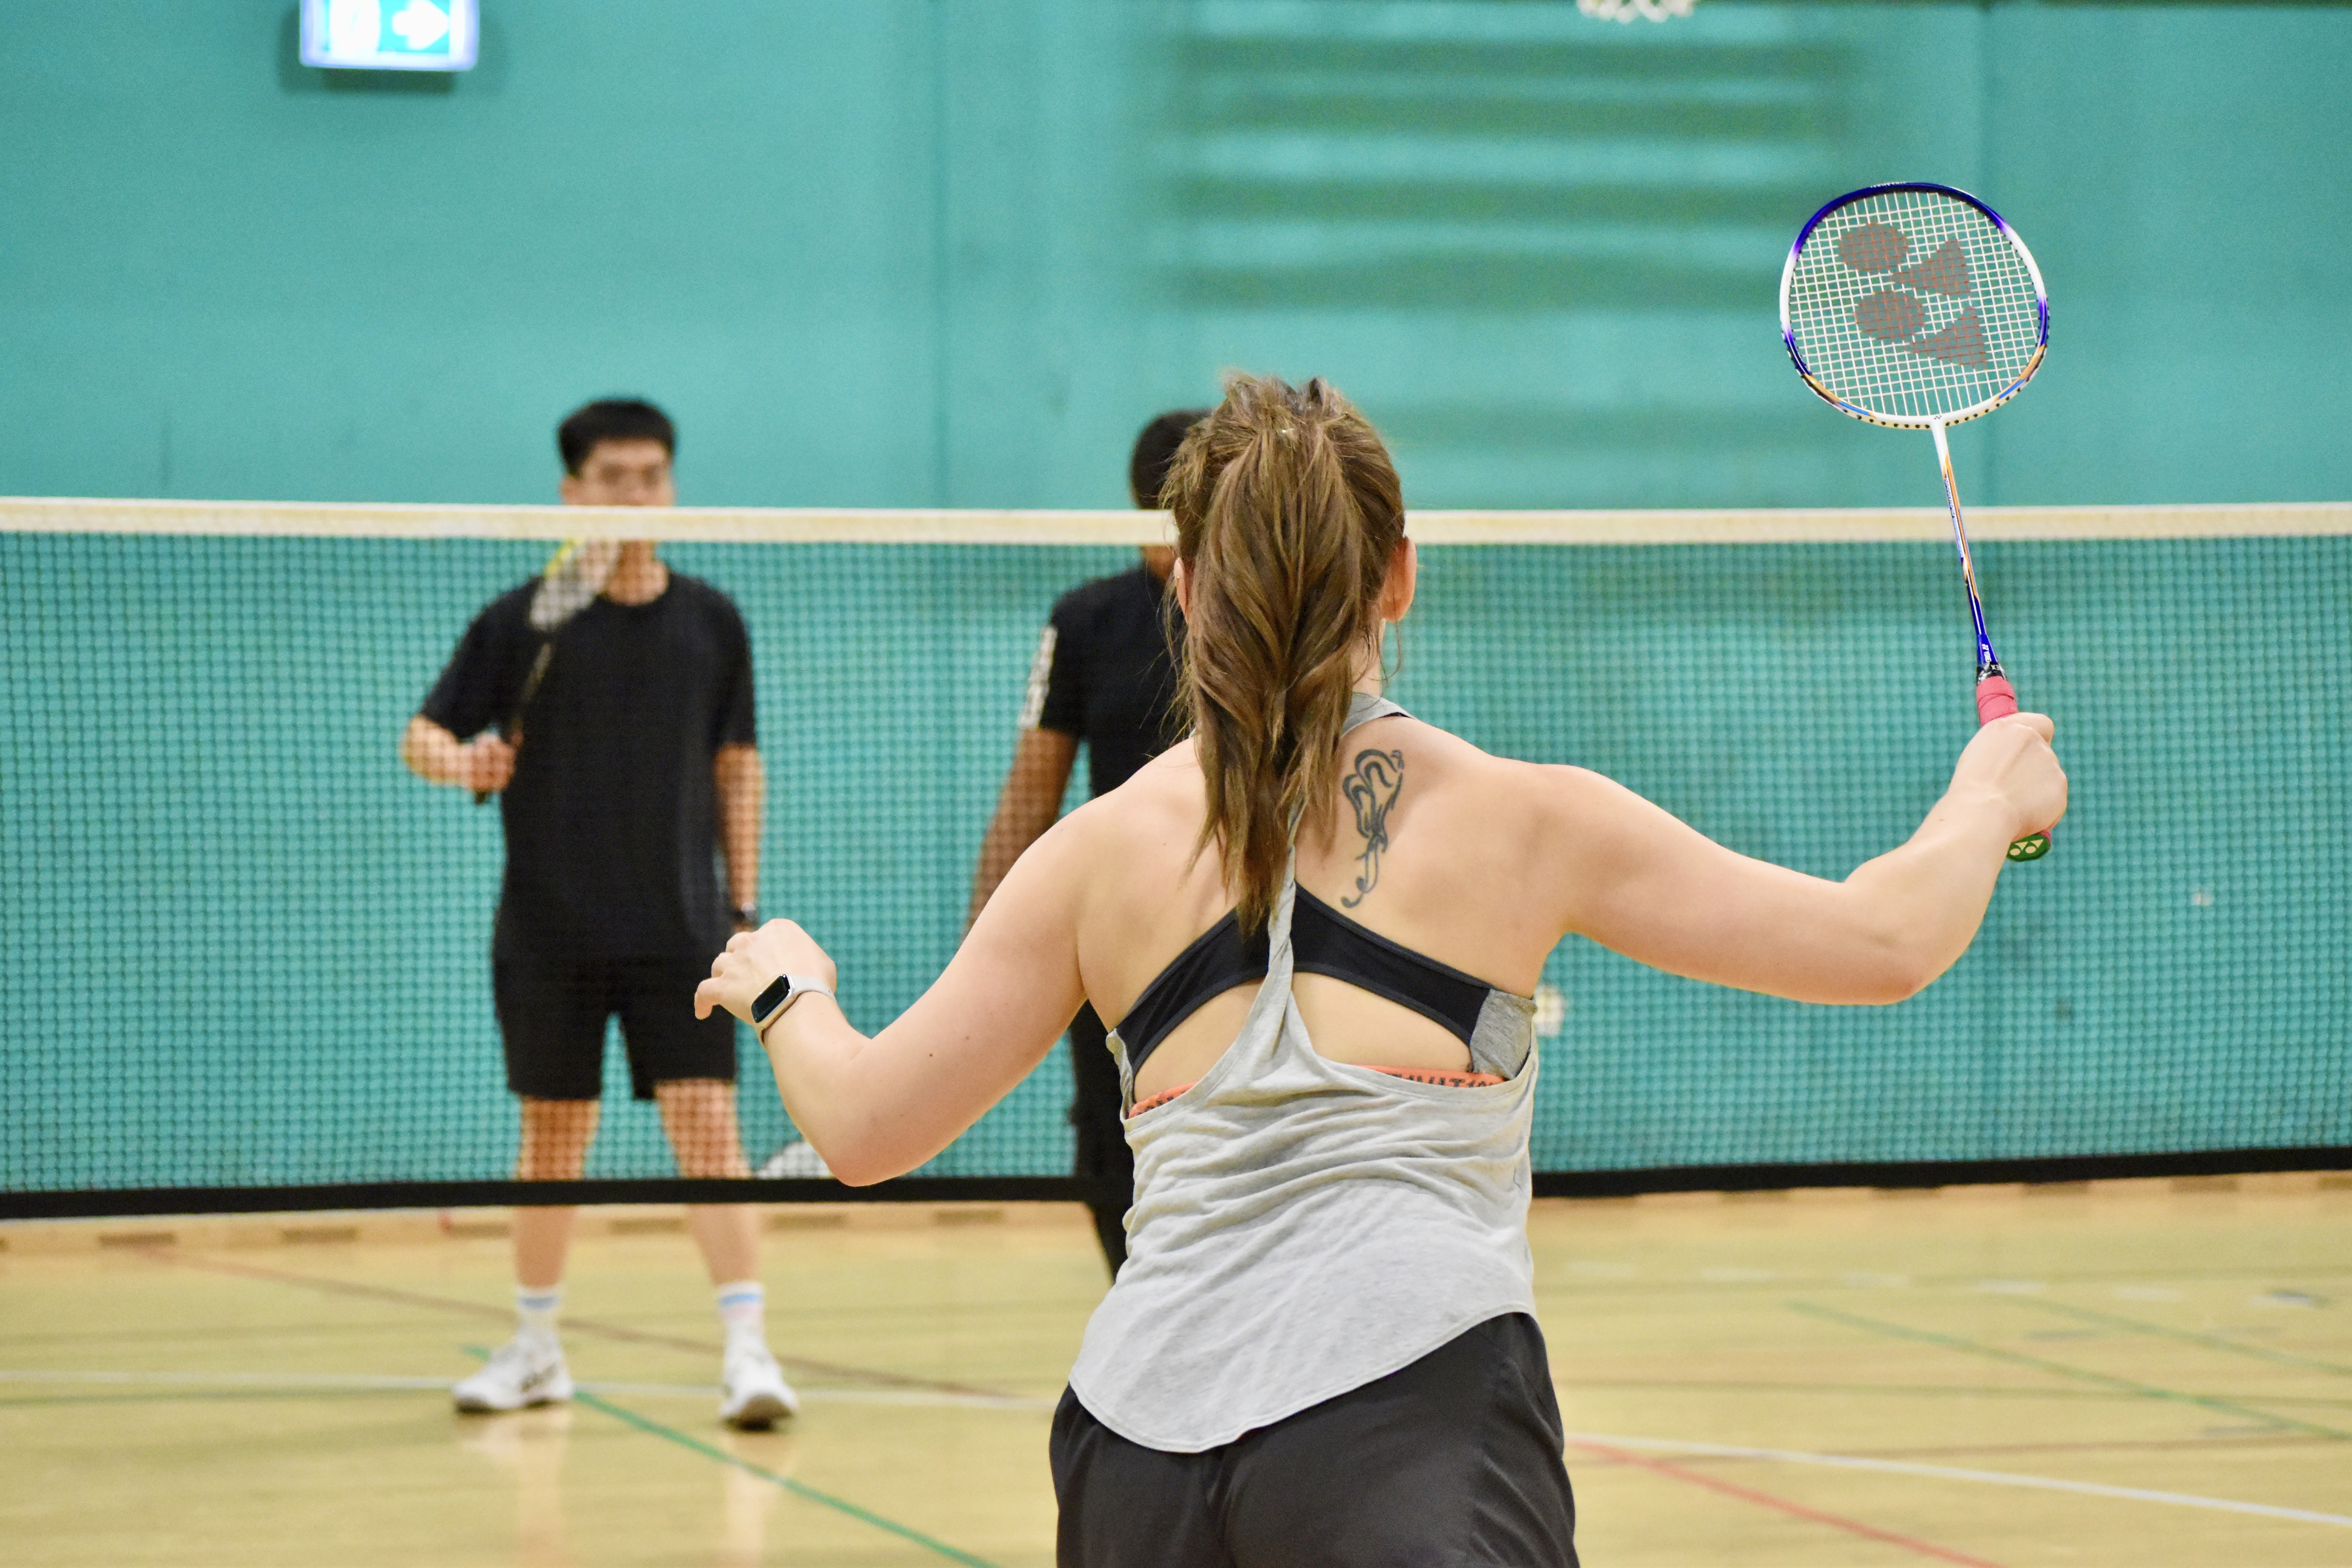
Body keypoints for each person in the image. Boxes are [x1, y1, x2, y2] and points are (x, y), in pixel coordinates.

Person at [696, 376, 2066, 1564]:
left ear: (1184, 588)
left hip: (1133, 1456)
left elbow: (865, 1128)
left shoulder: (1092, 857)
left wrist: (787, 986)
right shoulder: (1527, 820)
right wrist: (1989, 796)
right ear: (1399, 575)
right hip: (1409, 1416)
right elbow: (1883, 942)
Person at [401, 398, 796, 1429]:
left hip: (682, 931)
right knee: (551, 1142)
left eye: (651, 475)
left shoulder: (713, 621)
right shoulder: (524, 620)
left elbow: (738, 765)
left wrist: (743, 908)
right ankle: (535, 1349)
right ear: (571, 492)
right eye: (613, 478)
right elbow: (423, 734)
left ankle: (748, 1350)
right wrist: (464, 761)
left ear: (672, 485)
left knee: (709, 1132)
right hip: (550, 932)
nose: (635, 494)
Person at [967, 407, 1208, 1276]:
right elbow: (1032, 788)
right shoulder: (1085, 620)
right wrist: (983, 950)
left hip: (1240, 925)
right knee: (1110, 1146)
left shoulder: (1260, 616)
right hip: (1117, 936)